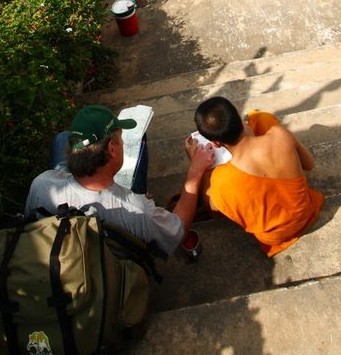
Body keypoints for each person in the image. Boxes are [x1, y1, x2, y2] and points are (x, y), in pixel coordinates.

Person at [25, 104, 214, 256]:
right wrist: (195, 172)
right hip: (114, 276)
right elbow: (178, 229)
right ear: (113, 149)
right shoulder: (137, 211)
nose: (123, 143)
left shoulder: (42, 184)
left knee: (61, 138)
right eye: (121, 139)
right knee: (141, 138)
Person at [193, 97, 325, 256]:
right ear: (237, 118)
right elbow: (309, 164)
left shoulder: (222, 180)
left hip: (274, 237)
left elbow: (213, 210)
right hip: (305, 212)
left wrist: (200, 167)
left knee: (260, 119)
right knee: (262, 118)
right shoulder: (279, 135)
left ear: (216, 143)